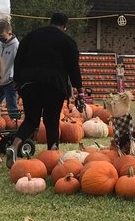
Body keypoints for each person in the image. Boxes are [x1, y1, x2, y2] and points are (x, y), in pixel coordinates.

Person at [10, 12, 83, 162]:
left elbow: (19, 58)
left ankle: (14, 146)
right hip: (54, 84)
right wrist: (79, 88)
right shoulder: (67, 41)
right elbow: (73, 67)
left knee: (31, 119)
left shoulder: (31, 36)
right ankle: (52, 153)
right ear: (65, 26)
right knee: (52, 119)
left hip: (29, 82)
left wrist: (17, 79)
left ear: (51, 21)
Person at [0, 20, 20, 117]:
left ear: (9, 33)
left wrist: (13, 77)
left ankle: (14, 121)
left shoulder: (15, 46)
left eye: (2, 36)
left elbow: (17, 63)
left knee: (11, 104)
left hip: (10, 81)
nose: (1, 38)